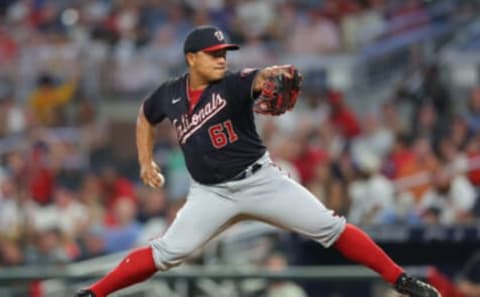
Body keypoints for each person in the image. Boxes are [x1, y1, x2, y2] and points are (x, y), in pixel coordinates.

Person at [74, 25, 440, 297]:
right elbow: (144, 116)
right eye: (214, 53)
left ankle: (400, 279)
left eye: (224, 52)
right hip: (210, 194)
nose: (222, 59)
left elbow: (262, 77)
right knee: (168, 252)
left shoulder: (233, 84)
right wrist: (144, 160)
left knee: (330, 227)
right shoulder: (168, 94)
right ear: (191, 58)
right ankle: (92, 294)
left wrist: (275, 74)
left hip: (260, 182)